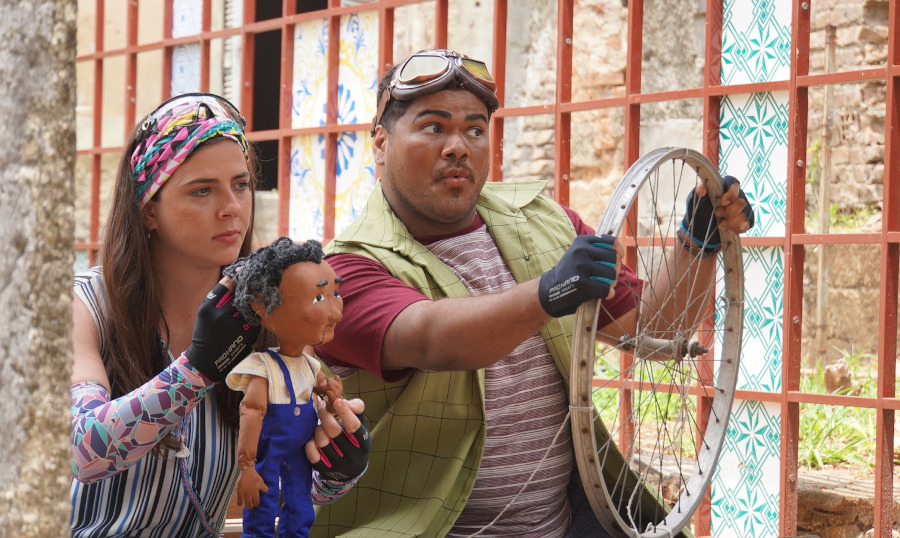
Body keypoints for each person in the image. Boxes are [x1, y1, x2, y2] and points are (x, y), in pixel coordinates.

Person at [310, 49, 754, 538]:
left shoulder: (544, 222)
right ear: (380, 143)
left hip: (563, 522)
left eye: (475, 130)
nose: (458, 146)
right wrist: (547, 293)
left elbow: (654, 330)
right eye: (433, 127)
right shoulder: (341, 269)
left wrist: (698, 241)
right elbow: (434, 340)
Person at [69, 93, 364, 537]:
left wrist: (338, 465)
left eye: (241, 184)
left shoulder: (265, 318)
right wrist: (196, 370)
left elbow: (278, 478)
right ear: (148, 209)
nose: (232, 207)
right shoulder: (84, 305)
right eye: (202, 190)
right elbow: (80, 450)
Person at [223, 237, 370, 538]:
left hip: (300, 454)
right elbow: (252, 411)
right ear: (263, 307)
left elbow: (323, 396)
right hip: (269, 451)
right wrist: (247, 467)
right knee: (262, 505)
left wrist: (332, 397)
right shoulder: (262, 366)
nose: (337, 312)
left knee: (300, 505)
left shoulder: (310, 366)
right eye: (319, 298)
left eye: (336, 294)